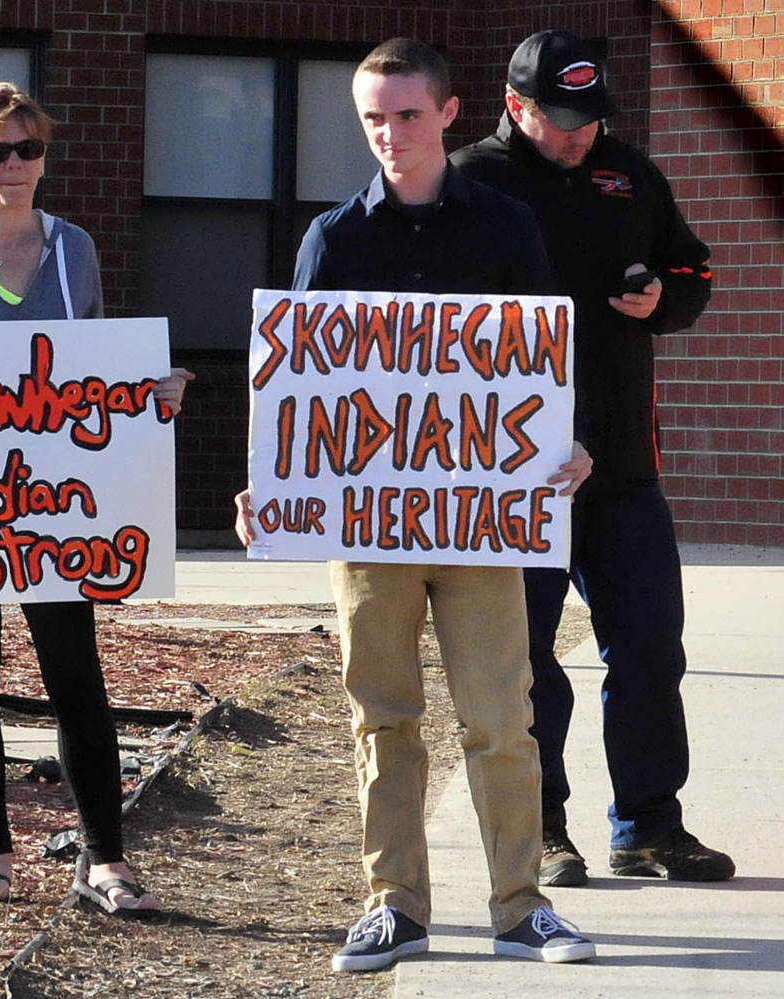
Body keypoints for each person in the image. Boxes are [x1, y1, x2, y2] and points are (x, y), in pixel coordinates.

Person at [236, 38, 596, 973]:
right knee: (381, 716)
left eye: (406, 114)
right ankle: (394, 904)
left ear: (445, 113)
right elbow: (300, 382)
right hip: (367, 525)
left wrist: (572, 442)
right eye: (372, 118)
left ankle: (521, 906)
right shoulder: (334, 237)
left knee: (500, 718)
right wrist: (273, 481)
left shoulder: (507, 225)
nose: (390, 134)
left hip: (481, 519)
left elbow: (543, 360)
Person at [0, 82, 193, 913]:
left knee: (75, 675)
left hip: (59, 499)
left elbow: (93, 371)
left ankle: (106, 860)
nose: (14, 165)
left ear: (44, 156)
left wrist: (151, 392)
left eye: (28, 149)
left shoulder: (75, 250)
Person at [451, 30, 734, 887]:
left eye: (591, 117)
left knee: (649, 647)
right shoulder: (473, 180)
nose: (580, 135)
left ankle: (650, 826)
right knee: (527, 659)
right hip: (516, 467)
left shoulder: (632, 173)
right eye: (561, 119)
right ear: (515, 106)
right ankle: (542, 829)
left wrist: (664, 298)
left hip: (620, 463)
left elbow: (695, 268)